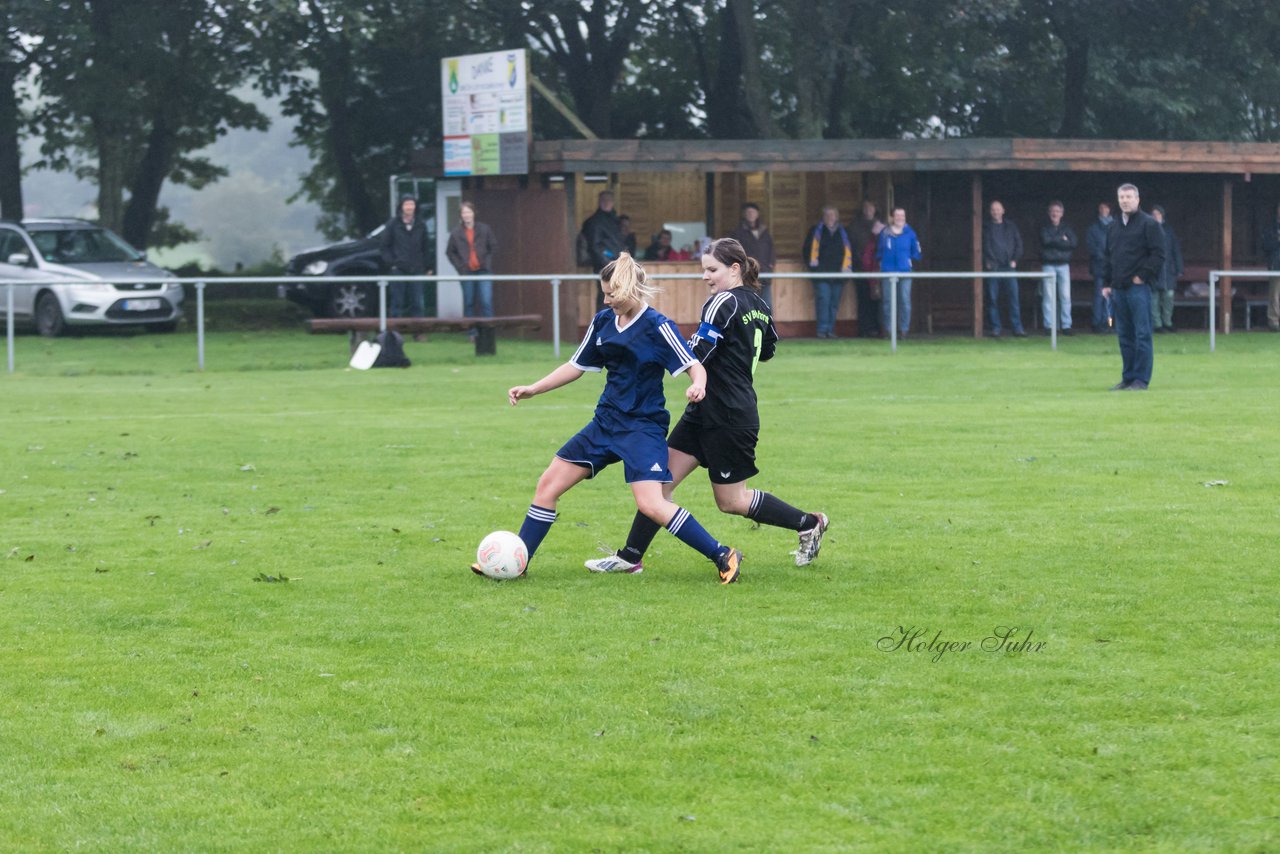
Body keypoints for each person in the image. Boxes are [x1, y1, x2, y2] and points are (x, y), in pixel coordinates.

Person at [471, 253, 745, 585]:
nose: (606, 300)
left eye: (611, 294)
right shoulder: (603, 322)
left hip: (642, 429)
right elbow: (576, 365)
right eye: (604, 293)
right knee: (547, 486)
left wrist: (698, 385)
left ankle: (722, 554)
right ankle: (519, 559)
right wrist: (534, 388)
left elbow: (693, 365)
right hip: (605, 424)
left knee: (652, 504)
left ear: (631, 289)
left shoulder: (658, 327)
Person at [584, 238, 829, 576]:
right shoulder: (759, 304)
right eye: (704, 270)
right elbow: (768, 349)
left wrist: (659, 349)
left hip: (728, 415)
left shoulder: (722, 301)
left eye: (711, 269)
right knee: (660, 486)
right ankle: (629, 557)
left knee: (731, 501)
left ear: (734, 269)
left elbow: (697, 352)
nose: (705, 277)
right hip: (707, 411)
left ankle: (809, 522)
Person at [1102, 183, 1165, 391]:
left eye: (1129, 197)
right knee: (1124, 335)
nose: (1125, 200)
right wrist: (1106, 283)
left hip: (1138, 288)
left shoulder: (1149, 224)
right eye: (1122, 197)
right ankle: (1127, 377)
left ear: (1138, 199)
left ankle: (1141, 380)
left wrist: (1142, 277)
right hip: (1118, 289)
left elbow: (1158, 255)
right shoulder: (1112, 226)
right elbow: (1108, 256)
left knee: (1142, 334)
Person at [445, 201, 497, 339]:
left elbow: (493, 247)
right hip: (466, 272)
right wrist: (460, 266)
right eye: (464, 213)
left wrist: (487, 262)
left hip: (483, 270)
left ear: (474, 213)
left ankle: (488, 332)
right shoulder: (456, 233)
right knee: (469, 302)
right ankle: (471, 333)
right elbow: (450, 252)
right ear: (461, 216)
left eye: (469, 212)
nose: (467, 215)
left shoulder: (485, 229)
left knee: (486, 301)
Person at [802, 205, 853, 338]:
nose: (830, 218)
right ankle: (822, 330)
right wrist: (814, 269)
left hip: (839, 275)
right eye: (827, 215)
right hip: (821, 274)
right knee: (824, 300)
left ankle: (830, 330)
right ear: (823, 217)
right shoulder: (815, 231)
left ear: (837, 217)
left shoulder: (844, 232)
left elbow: (849, 251)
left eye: (833, 215)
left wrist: (846, 270)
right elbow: (806, 251)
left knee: (834, 303)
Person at [379, 194, 430, 322]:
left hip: (417, 268)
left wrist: (428, 266)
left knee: (417, 302)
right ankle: (394, 332)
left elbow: (426, 247)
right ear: (401, 206)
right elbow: (384, 247)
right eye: (406, 204)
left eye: (412, 204)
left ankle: (418, 332)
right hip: (399, 268)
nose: (409, 207)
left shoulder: (421, 224)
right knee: (397, 301)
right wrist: (392, 263)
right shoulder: (392, 224)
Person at [876, 206, 922, 339]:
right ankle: (888, 330)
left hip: (905, 271)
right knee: (887, 302)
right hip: (887, 271)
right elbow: (879, 251)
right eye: (897, 215)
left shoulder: (910, 233)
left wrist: (908, 260)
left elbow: (916, 251)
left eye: (902, 215)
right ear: (892, 217)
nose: (900, 218)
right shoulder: (884, 233)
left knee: (904, 300)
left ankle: (903, 330)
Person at [983, 200, 1025, 337]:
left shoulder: (1011, 226)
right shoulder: (985, 227)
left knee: (1014, 298)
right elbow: (980, 248)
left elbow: (1019, 244)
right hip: (993, 268)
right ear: (990, 212)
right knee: (993, 299)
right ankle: (996, 328)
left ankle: (1017, 328)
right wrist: (986, 261)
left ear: (1003, 211)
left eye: (998, 209)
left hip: (1009, 267)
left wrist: (1015, 260)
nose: (996, 212)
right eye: (993, 209)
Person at [1039, 200, 1078, 335]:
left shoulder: (1067, 228)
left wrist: (1054, 240)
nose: (1055, 214)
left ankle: (1066, 326)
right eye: (1052, 211)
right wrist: (1062, 240)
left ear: (1062, 213)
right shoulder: (1044, 227)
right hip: (1048, 265)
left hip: (1063, 265)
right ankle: (1049, 326)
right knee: (1048, 297)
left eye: (1057, 211)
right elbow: (1045, 240)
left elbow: (1073, 243)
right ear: (1049, 213)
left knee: (1065, 296)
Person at [582, 190, 625, 309]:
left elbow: (615, 244)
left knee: (616, 296)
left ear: (613, 202)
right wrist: (608, 263)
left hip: (616, 264)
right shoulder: (595, 222)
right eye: (604, 200)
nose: (606, 203)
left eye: (609, 200)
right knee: (606, 296)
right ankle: (603, 325)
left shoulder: (613, 220)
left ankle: (613, 325)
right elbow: (595, 246)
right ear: (599, 202)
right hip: (606, 265)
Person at [730, 202, 776, 308]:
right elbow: (733, 251)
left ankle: (766, 325)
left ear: (757, 214)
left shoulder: (764, 232)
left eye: (753, 212)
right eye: (748, 212)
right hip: (747, 274)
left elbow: (772, 249)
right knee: (749, 304)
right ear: (744, 215)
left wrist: (771, 264)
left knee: (766, 304)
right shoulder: (738, 232)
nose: (751, 214)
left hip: (764, 273)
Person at [850, 200, 884, 338]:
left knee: (877, 299)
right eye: (866, 207)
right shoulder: (854, 226)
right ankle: (864, 329)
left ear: (875, 209)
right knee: (863, 300)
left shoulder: (881, 226)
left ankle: (877, 328)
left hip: (877, 269)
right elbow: (851, 246)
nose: (868, 210)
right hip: (860, 268)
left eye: (871, 207)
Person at [1150, 206, 1183, 333]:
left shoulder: (1169, 231)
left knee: (1168, 296)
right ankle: (1157, 324)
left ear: (1162, 216)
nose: (1156, 216)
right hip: (1153, 269)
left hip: (1168, 270)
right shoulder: (1147, 230)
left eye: (1158, 214)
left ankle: (1167, 322)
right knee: (1154, 298)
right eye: (1153, 214)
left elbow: (1176, 250)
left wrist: (1179, 268)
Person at [1087, 202, 1115, 333]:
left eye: (1106, 207)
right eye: (1101, 208)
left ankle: (1108, 323)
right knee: (1099, 296)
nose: (1104, 210)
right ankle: (1097, 324)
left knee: (1111, 297)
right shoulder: (1093, 228)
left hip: (1113, 268)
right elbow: (1092, 247)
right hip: (1099, 267)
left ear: (1110, 209)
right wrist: (1104, 257)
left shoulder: (1116, 226)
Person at [1260, 203, 1280, 331]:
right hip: (1276, 265)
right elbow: (1266, 246)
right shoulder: (1270, 229)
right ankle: (1274, 322)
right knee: (1275, 295)